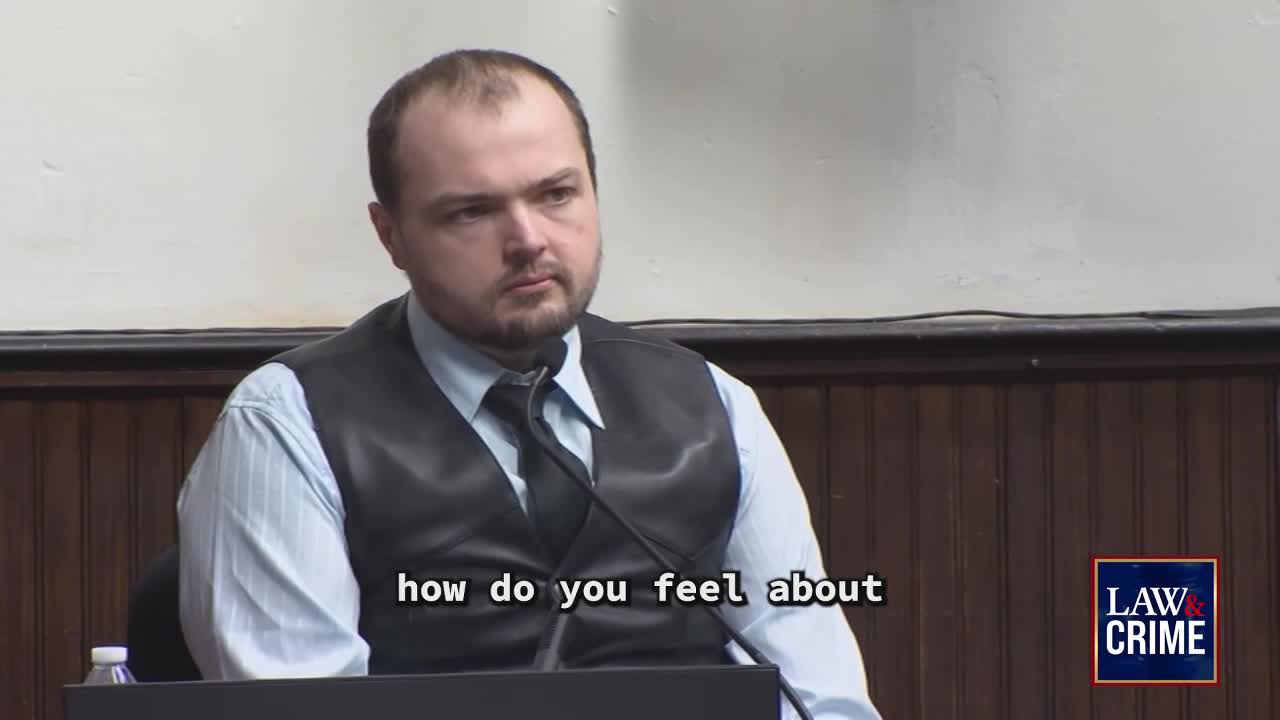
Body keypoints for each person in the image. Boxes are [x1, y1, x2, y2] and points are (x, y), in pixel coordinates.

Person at [176, 48, 881, 720]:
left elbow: (819, 696)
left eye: (556, 194)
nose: (529, 240)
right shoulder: (286, 423)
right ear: (390, 235)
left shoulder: (714, 406)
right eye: (472, 212)